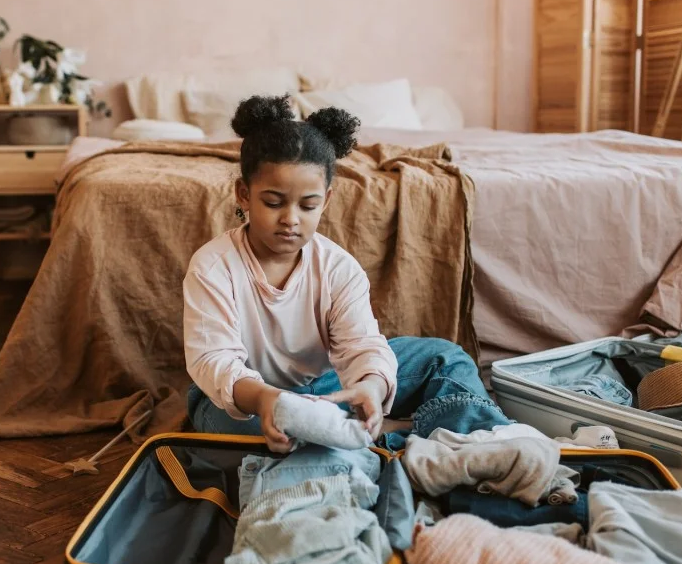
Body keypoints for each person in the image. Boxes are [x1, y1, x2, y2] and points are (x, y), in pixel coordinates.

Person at [183, 94, 508, 452]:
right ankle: (390, 432)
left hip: (325, 389)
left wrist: (370, 385)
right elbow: (214, 362)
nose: (291, 219)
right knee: (228, 431)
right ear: (244, 194)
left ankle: (488, 445)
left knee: (444, 358)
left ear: (327, 199)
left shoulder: (338, 267)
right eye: (273, 202)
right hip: (247, 403)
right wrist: (268, 402)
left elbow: (361, 345)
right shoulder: (214, 266)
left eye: (308, 205)